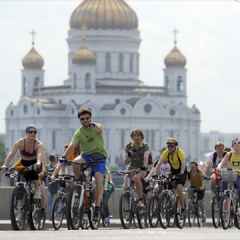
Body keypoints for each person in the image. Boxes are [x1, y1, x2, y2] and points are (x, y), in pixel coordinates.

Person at [63, 107, 108, 221]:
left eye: (87, 118)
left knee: (98, 181)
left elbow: (100, 129)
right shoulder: (78, 132)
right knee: (74, 162)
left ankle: (97, 207)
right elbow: (72, 146)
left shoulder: (96, 127)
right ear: (80, 120)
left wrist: (95, 125)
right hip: (86, 156)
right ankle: (79, 180)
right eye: (82, 119)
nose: (85, 121)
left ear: (91, 118)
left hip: (99, 157)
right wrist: (64, 157)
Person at [1, 125, 47, 205]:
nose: (33, 134)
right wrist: (5, 164)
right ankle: (20, 196)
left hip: (35, 163)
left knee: (34, 175)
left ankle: (37, 191)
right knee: (15, 173)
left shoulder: (38, 144)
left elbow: (39, 155)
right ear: (26, 133)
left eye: (35, 132)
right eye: (30, 132)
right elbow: (11, 154)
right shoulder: (20, 142)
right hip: (23, 162)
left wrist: (39, 162)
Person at [146, 137, 186, 210]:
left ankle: (182, 207)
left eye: (172, 146)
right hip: (173, 171)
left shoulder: (180, 152)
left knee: (179, 188)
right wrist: (156, 175)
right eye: (168, 146)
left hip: (181, 171)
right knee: (166, 185)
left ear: (176, 146)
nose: (170, 148)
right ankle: (169, 202)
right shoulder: (166, 152)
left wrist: (181, 174)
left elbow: (183, 164)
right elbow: (158, 164)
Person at [124, 129, 152, 207]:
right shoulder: (129, 146)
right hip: (132, 168)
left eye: (138, 136)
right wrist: (129, 155)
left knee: (136, 178)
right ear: (132, 137)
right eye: (134, 136)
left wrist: (144, 167)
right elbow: (126, 162)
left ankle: (140, 200)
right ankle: (129, 201)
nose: (136, 138)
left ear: (142, 137)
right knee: (125, 182)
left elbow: (146, 158)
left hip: (142, 168)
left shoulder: (145, 146)